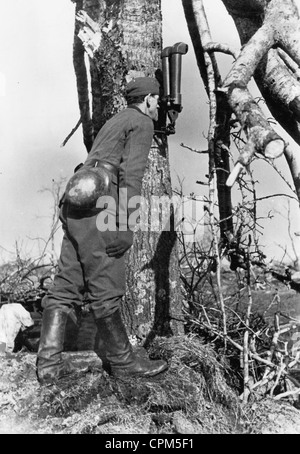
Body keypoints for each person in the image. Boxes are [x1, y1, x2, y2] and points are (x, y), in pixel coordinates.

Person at [36, 77, 168, 384]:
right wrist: (125, 225)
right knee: (106, 284)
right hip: (101, 203)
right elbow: (131, 177)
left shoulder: (115, 121)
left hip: (76, 198)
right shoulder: (140, 122)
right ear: (147, 99)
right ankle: (123, 364)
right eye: (157, 100)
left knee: (66, 283)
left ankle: (48, 367)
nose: (159, 105)